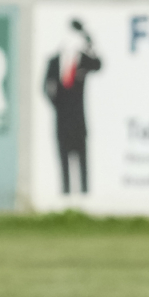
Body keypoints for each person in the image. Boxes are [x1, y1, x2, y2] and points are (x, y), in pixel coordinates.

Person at [43, 19, 101, 195]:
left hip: (78, 119)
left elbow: (98, 65)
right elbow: (45, 86)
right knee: (64, 162)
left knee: (82, 162)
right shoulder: (54, 61)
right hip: (61, 119)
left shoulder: (83, 60)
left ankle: (85, 196)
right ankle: (65, 195)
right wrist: (57, 104)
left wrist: (89, 44)